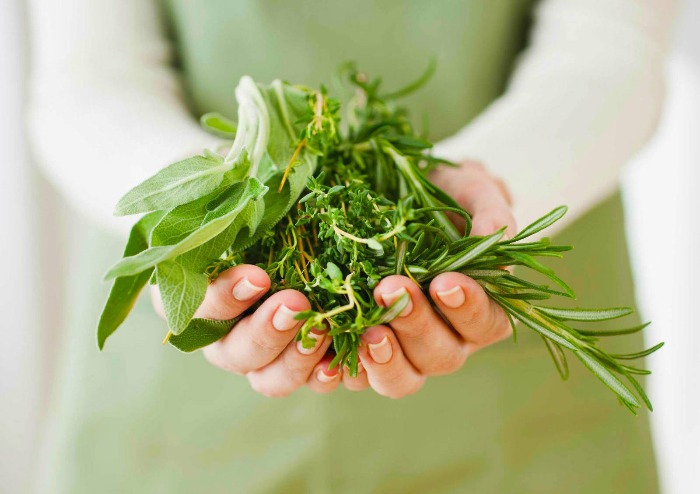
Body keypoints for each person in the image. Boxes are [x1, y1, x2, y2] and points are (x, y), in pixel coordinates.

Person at [27, 0, 677, 492]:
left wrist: (488, 190)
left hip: (516, 382)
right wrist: (214, 211)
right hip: (183, 406)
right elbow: (87, 71)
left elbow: (610, 45)